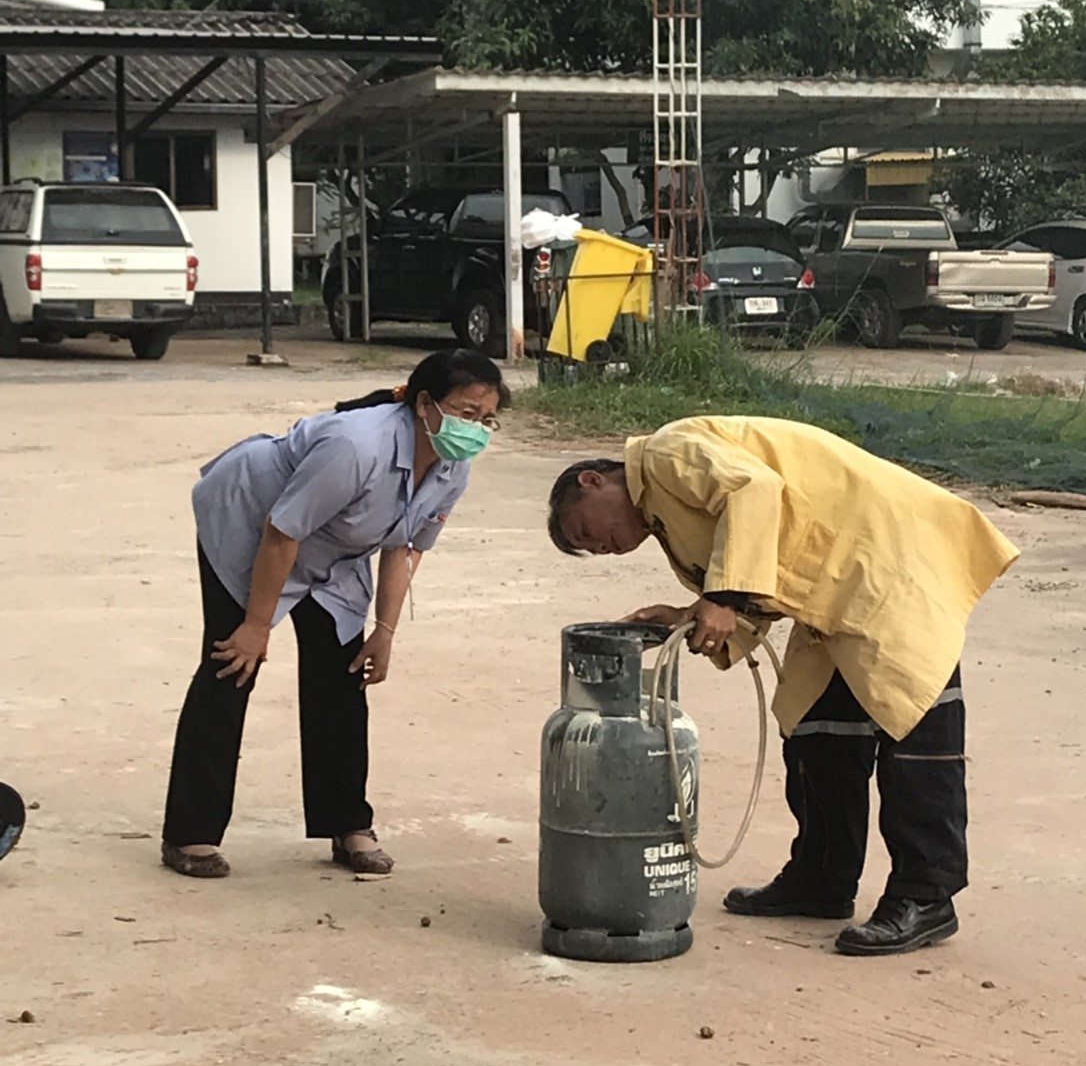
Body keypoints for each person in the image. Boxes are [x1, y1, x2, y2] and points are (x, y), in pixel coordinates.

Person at [546, 415, 1019, 957]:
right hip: (832, 593)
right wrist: (691, 614)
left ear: (592, 480)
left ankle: (926, 894)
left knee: (914, 726)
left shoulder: (665, 454)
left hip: (888, 559)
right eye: (591, 551)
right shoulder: (666, 519)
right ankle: (822, 877)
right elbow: (756, 573)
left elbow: (753, 490)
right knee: (813, 724)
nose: (600, 547)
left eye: (585, 532)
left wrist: (722, 597)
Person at [161, 348, 508, 880]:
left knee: (342, 673)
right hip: (252, 521)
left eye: (487, 420)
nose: (476, 430)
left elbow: (405, 546)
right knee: (232, 664)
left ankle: (347, 824)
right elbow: (282, 532)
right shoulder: (355, 446)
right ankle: (191, 833)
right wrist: (256, 625)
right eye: (466, 413)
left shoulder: (452, 467)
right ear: (424, 404)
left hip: (333, 549)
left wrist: (384, 632)